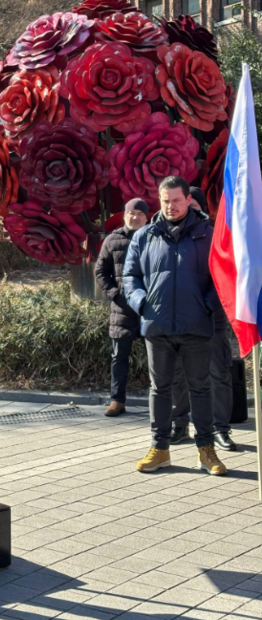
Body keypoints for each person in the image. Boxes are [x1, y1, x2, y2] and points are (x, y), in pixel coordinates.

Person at [123, 175, 227, 476]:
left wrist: (206, 305)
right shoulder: (145, 236)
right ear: (160, 200)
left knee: (201, 389)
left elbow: (221, 275)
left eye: (176, 200)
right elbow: (130, 276)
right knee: (160, 389)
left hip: (196, 325)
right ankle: (160, 449)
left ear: (188, 200)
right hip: (158, 326)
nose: (171, 206)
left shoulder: (207, 234)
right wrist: (142, 303)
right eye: (166, 201)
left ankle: (206, 450)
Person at [170, 187, 236, 451]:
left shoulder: (215, 236)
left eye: (196, 206)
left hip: (211, 318)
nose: (192, 211)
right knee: (178, 376)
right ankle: (179, 425)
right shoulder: (170, 233)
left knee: (218, 375)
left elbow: (225, 275)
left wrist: (205, 304)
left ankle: (220, 428)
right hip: (178, 319)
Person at [95, 198, 149, 417]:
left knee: (158, 357)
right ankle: (117, 399)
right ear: (124, 214)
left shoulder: (154, 238)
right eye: (131, 213)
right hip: (122, 309)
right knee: (119, 357)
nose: (135, 217)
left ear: (147, 218)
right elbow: (101, 272)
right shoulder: (112, 240)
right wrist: (115, 295)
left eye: (140, 214)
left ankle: (164, 401)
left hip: (149, 308)